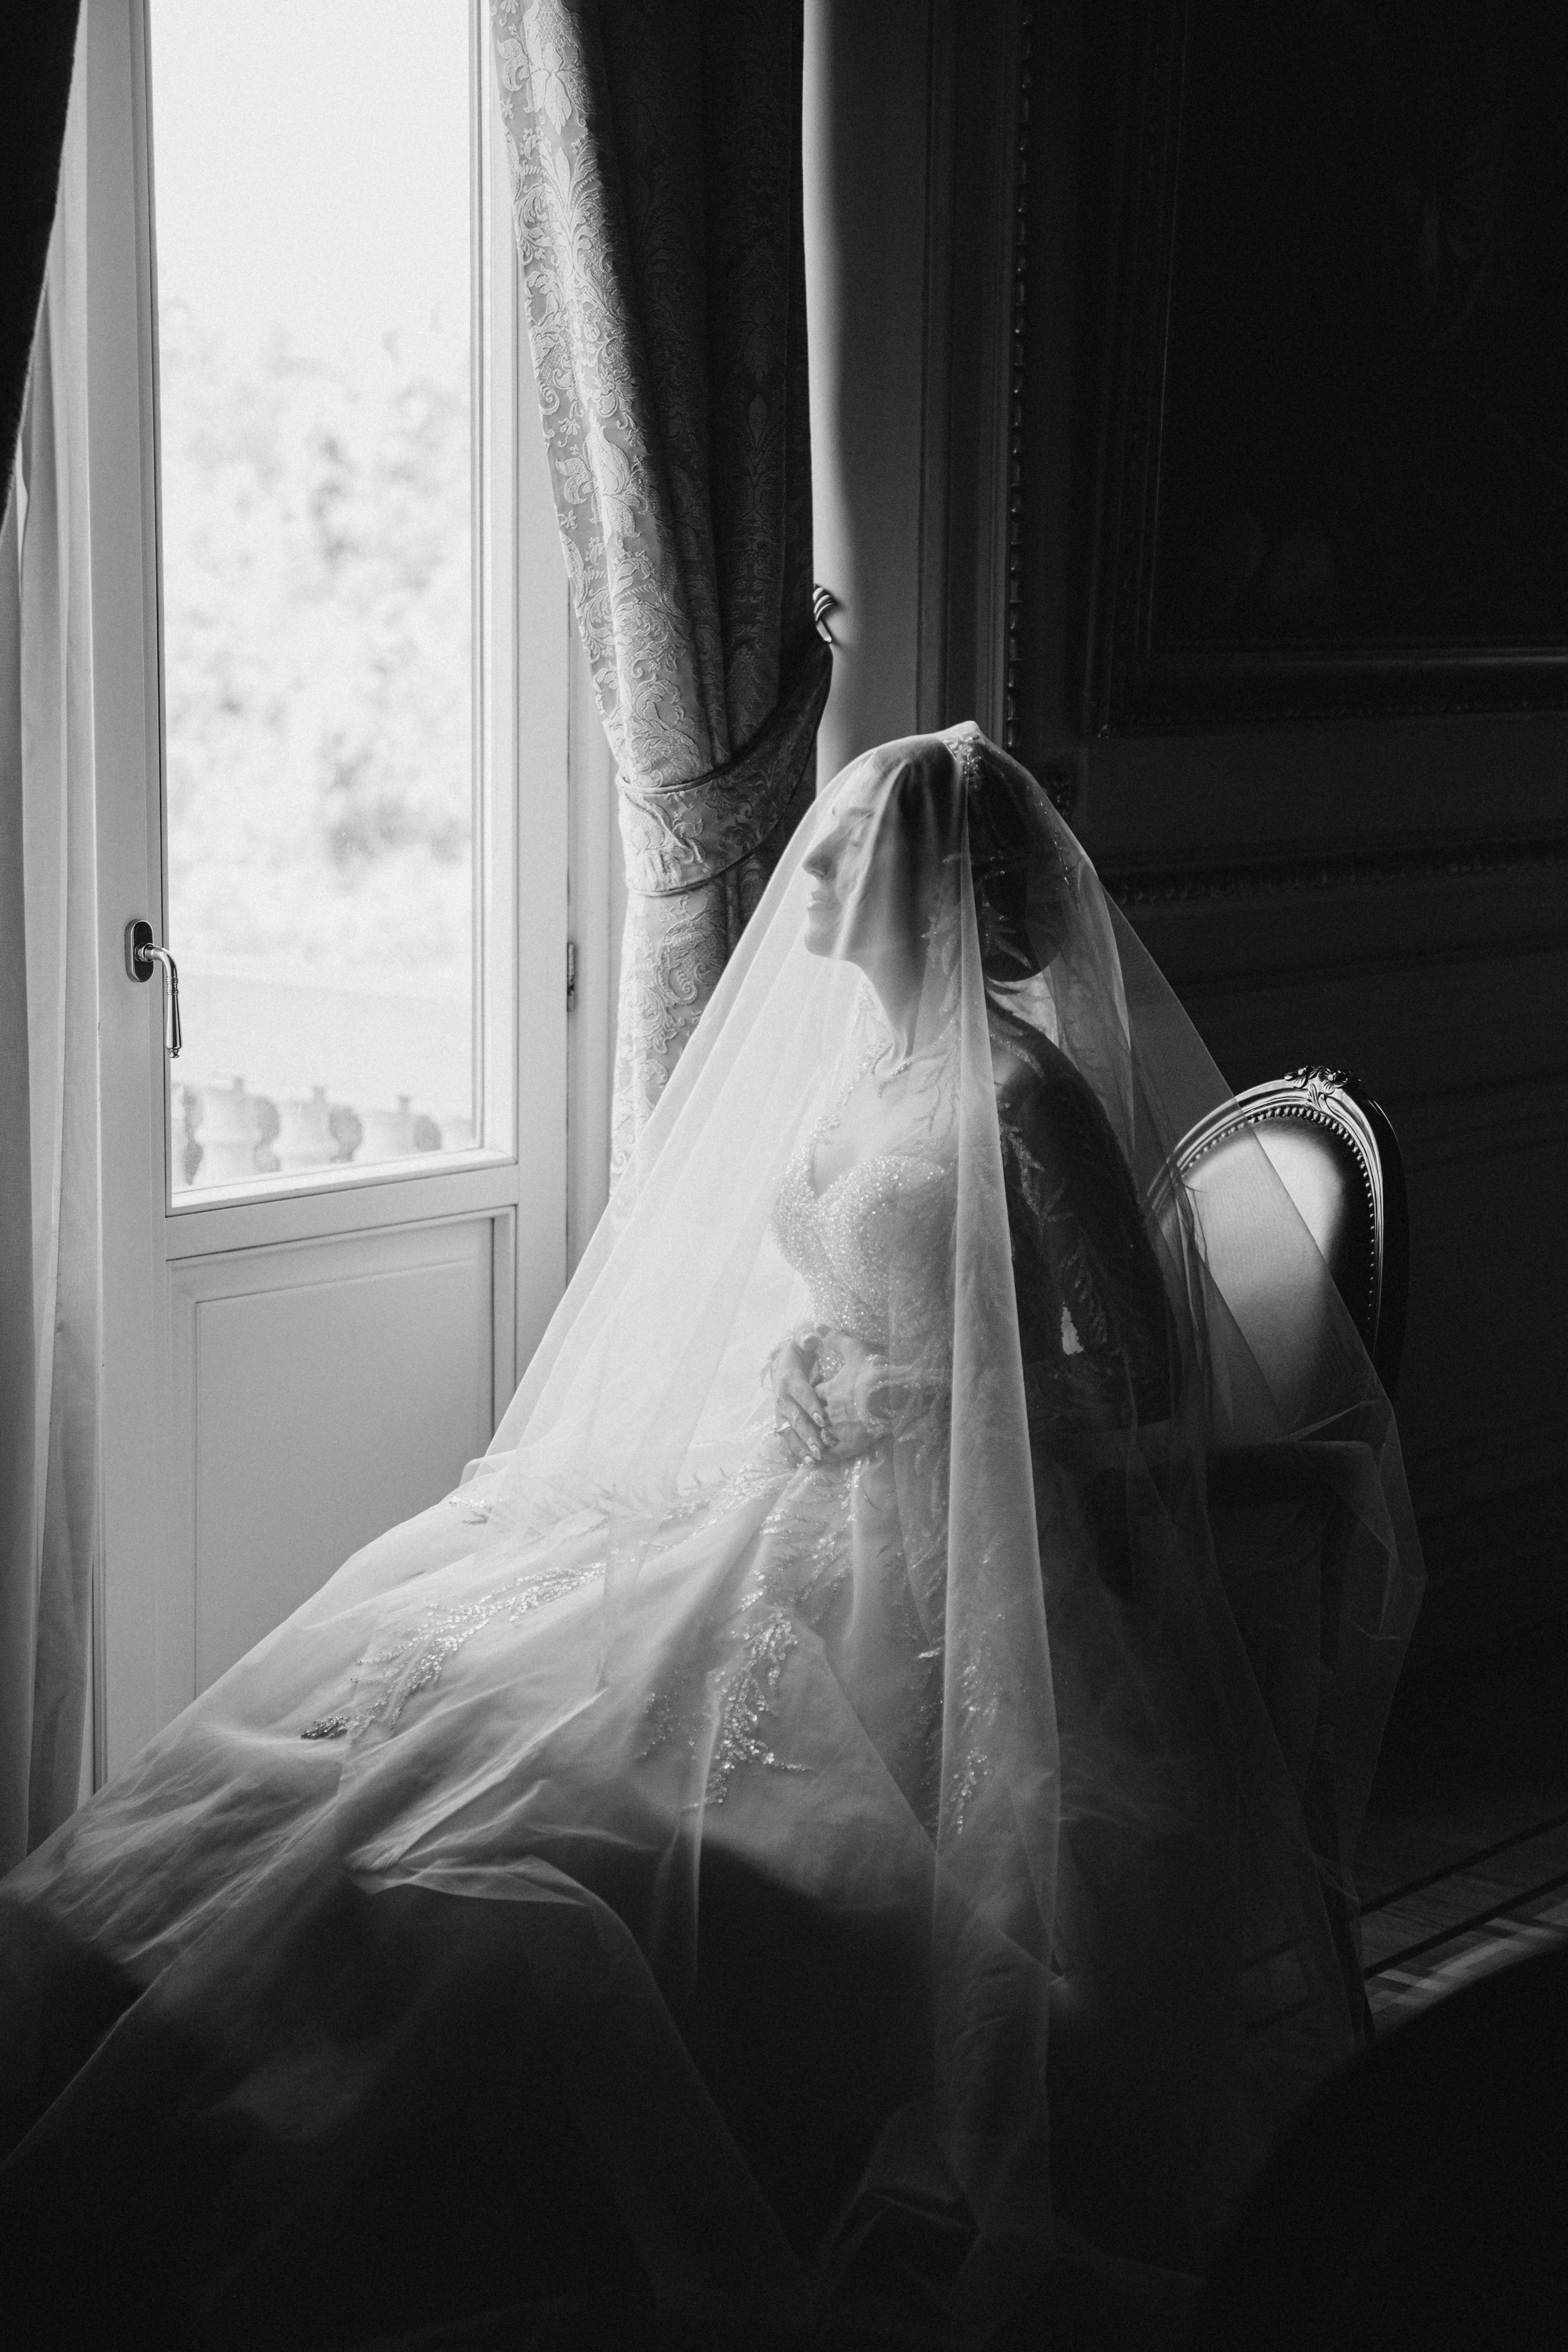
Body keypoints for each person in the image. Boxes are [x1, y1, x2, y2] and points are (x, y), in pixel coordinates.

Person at [0, 725, 1421, 2350]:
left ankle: (515, 2158)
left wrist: (906, 1395)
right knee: (428, 1697)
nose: (807, 869)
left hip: (939, 1568)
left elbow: (1140, 1381)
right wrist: (820, 1365)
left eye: (844, 851)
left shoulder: (1023, 1093)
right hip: (781, 1498)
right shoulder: (868, 1075)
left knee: (586, 1838)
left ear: (923, 883)